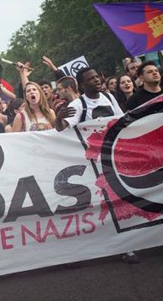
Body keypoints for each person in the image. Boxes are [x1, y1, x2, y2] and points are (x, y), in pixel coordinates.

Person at [53, 67, 138, 264]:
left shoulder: (109, 97)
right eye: (90, 79)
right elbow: (61, 128)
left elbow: (120, 119)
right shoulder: (78, 104)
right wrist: (59, 117)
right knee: (102, 203)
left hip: (112, 157)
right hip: (92, 162)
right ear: (82, 85)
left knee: (119, 200)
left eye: (97, 77)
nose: (96, 81)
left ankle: (126, 245)